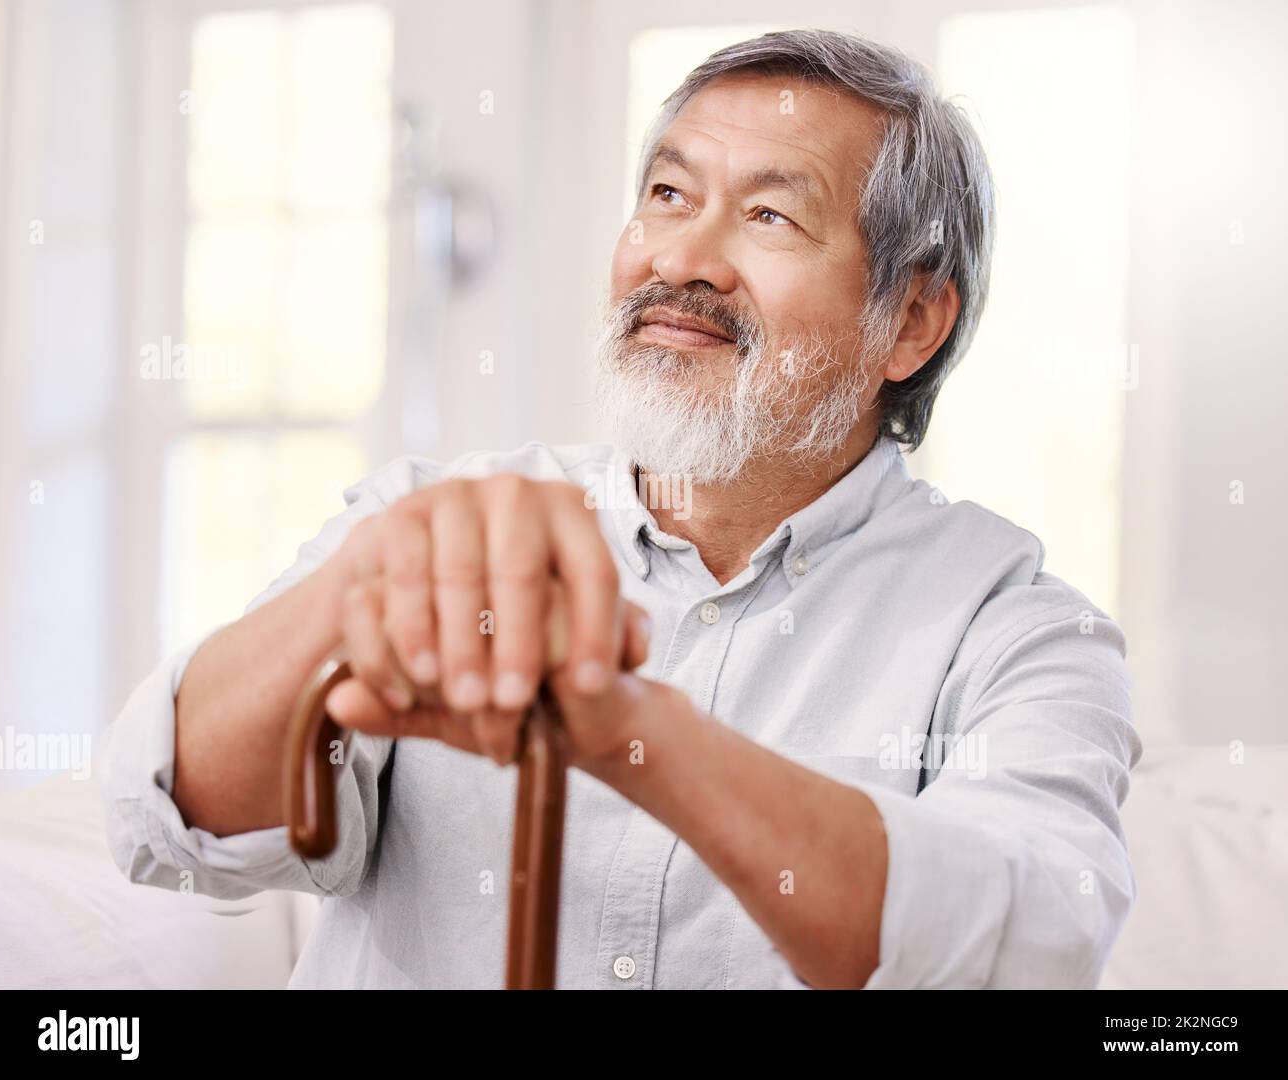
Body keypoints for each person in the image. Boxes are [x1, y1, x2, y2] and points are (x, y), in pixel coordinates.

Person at [99, 27, 1142, 989]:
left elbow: (1027, 946)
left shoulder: (1019, 633)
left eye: (771, 216)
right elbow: (164, 820)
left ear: (909, 321)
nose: (679, 260)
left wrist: (630, 730)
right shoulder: (435, 520)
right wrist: (353, 594)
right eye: (667, 195)